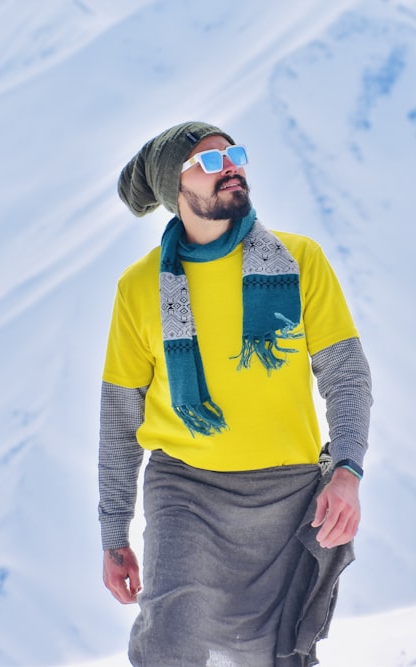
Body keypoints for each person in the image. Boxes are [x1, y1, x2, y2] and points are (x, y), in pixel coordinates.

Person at [98, 121, 373, 666]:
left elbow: (347, 376)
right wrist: (113, 532)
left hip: (291, 497)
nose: (230, 167)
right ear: (174, 191)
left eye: (235, 155)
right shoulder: (139, 287)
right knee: (169, 646)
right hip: (186, 493)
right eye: (207, 162)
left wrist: (347, 471)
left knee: (279, 657)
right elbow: (120, 417)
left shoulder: (300, 260)